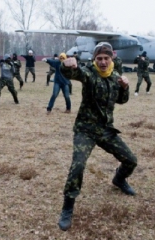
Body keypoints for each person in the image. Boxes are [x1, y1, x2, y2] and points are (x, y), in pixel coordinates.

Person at [57, 42, 137, 231]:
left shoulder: (115, 76)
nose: (102, 62)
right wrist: (66, 65)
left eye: (106, 58)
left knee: (131, 161)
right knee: (78, 165)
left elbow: (121, 100)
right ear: (94, 59)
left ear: (111, 59)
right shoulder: (89, 73)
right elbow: (73, 73)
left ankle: (118, 180)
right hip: (86, 129)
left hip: (106, 130)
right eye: (99, 58)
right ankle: (67, 207)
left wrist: (125, 87)